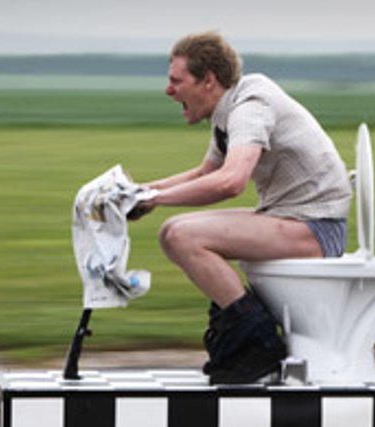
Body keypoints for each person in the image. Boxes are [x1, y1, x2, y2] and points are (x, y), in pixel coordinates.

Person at [130, 31, 352, 384]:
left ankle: (258, 350)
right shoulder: (231, 108)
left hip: (315, 227)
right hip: (295, 219)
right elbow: (207, 173)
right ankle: (244, 337)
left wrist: (153, 199)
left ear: (208, 80)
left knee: (180, 235)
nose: (168, 90)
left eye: (176, 81)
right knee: (176, 231)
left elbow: (231, 182)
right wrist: (137, 192)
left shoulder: (250, 107)